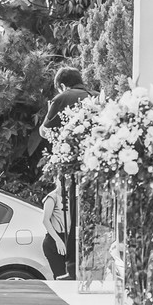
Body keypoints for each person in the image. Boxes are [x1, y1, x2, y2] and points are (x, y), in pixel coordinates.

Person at [39, 66, 92, 281]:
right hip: (95, 167)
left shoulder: (62, 98)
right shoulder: (95, 97)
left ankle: (72, 267)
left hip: (71, 166)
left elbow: (45, 130)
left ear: (62, 85)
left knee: (71, 212)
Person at [41, 185, 72, 281]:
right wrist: (58, 240)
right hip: (55, 239)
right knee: (60, 275)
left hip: (67, 238)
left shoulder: (69, 197)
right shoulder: (52, 197)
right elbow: (45, 220)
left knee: (69, 275)